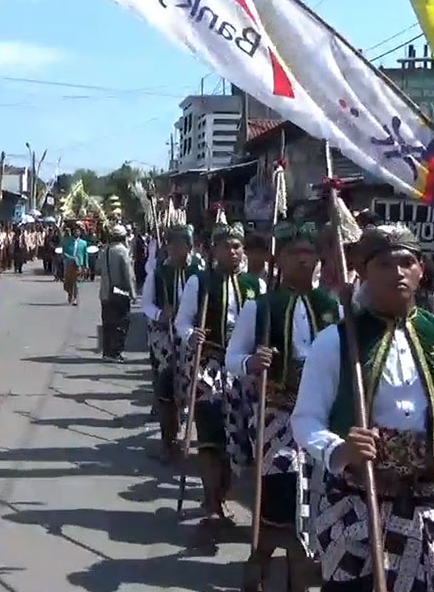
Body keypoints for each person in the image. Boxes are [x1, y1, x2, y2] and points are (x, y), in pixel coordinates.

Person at [293, 225, 434, 592]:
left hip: (431, 502)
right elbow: (306, 418)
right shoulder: (337, 341)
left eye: (407, 263)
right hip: (359, 501)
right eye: (384, 264)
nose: (398, 273)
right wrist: (341, 449)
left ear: (421, 269)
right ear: (363, 271)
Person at [226, 221, 338, 591]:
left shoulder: (333, 307)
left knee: (315, 496)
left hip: (322, 418)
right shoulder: (260, 307)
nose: (303, 260)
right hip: (276, 414)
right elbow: (232, 358)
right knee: (281, 489)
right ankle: (264, 556)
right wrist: (251, 362)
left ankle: (296, 571)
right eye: (294, 253)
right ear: (280, 260)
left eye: (309, 253)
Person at [175, 222, 265, 524]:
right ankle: (212, 499)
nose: (233, 252)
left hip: (242, 372)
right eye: (226, 246)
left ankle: (222, 494)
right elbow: (181, 322)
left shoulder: (256, 285)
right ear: (214, 250)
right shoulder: (200, 282)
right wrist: (192, 335)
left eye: (237, 246)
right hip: (209, 367)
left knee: (236, 439)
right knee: (211, 435)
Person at [141, 223, 198, 462]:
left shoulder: (200, 273)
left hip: (193, 341)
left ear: (190, 246)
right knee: (166, 391)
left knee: (195, 391)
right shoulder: (158, 273)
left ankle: (190, 437)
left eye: (181, 244)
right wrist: (160, 315)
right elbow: (146, 304)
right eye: (172, 244)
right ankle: (168, 441)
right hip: (165, 340)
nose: (176, 249)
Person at [97, 224, 136, 362]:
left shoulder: (105, 251)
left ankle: (107, 352)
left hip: (105, 293)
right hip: (120, 293)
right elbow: (128, 275)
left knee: (107, 323)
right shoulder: (123, 251)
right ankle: (115, 352)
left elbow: (97, 268)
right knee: (121, 323)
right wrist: (133, 293)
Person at [62, 225, 88, 305]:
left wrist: (86, 266)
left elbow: (85, 254)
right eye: (75, 231)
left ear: (80, 233)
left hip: (78, 264)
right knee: (68, 282)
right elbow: (64, 252)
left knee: (76, 282)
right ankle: (70, 294)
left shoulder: (83, 243)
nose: (76, 232)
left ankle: (75, 298)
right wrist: (68, 258)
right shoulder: (67, 241)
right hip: (69, 263)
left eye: (78, 231)